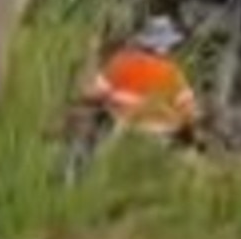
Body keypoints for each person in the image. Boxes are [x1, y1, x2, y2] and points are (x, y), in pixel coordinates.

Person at [80, 15, 200, 145]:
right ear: (166, 47)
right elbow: (189, 112)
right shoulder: (172, 73)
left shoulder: (122, 61)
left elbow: (92, 94)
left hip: (121, 130)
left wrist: (91, 54)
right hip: (157, 138)